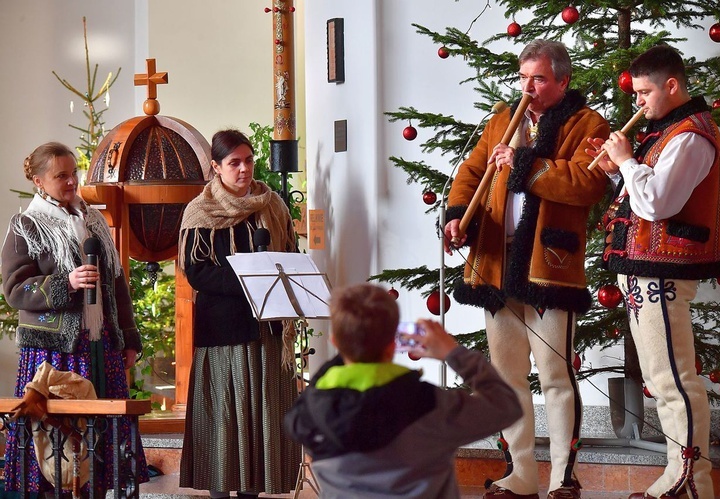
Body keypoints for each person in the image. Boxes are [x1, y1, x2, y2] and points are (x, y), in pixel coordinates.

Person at [443, 39, 611, 499]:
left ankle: (563, 478)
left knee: (556, 375)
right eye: (523, 78)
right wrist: (457, 214)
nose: (528, 88)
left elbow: (586, 182)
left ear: (562, 80)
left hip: (550, 266)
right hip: (496, 263)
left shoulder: (588, 124)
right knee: (505, 376)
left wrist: (524, 163)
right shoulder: (501, 120)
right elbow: (471, 173)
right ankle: (520, 474)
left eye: (538, 78)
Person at [586, 44, 720, 499]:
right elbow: (640, 198)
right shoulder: (666, 133)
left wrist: (627, 160)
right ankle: (678, 474)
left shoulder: (689, 136)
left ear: (672, 85)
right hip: (646, 273)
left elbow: (659, 203)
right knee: (661, 377)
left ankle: (691, 481)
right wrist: (615, 171)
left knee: (674, 379)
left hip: (662, 275)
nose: (640, 102)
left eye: (645, 92)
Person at [1, 141, 148, 495]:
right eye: (60, 176)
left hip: (101, 347)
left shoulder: (93, 220)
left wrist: (128, 339)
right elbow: (14, 289)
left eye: (73, 174)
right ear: (38, 180)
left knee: (102, 446)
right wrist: (65, 283)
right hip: (54, 354)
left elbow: (116, 285)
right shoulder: (27, 226)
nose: (70, 182)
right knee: (57, 444)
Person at [284, 283, 523, 499]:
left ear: (335, 342)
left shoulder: (309, 412)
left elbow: (317, 385)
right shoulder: (431, 404)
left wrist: (353, 343)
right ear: (392, 343)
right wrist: (452, 352)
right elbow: (506, 405)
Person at [178, 129, 300, 498]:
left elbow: (290, 256)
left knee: (261, 419)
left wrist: (271, 278)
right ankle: (220, 489)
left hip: (267, 330)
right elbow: (196, 270)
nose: (243, 169)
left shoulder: (273, 205)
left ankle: (254, 490)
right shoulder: (200, 211)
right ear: (216, 167)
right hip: (223, 332)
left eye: (248, 161)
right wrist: (250, 279)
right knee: (226, 422)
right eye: (234, 163)